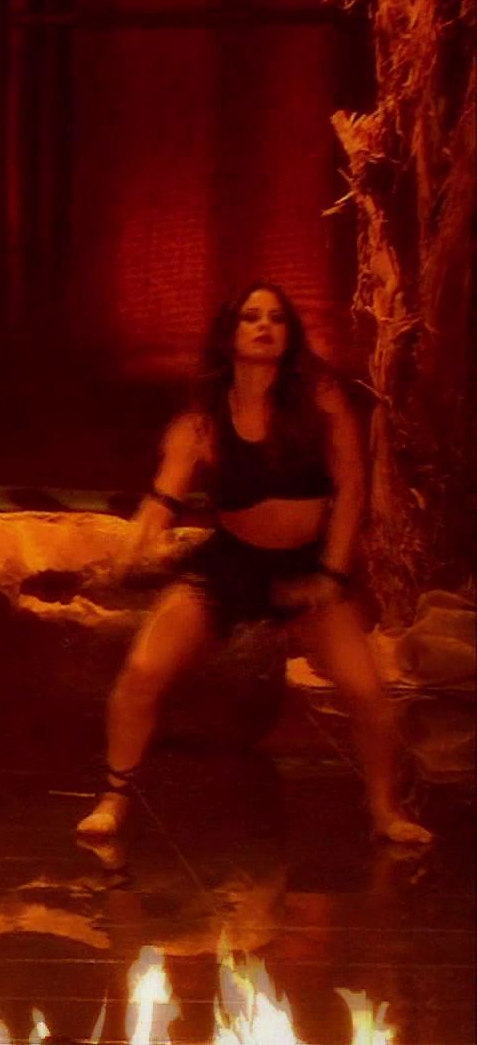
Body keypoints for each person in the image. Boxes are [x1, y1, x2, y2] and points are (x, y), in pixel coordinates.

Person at [77, 282, 432, 844]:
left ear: (289, 334)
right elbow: (164, 496)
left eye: (276, 318)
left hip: (307, 567)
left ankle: (386, 811)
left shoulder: (318, 398)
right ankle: (114, 798)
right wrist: (137, 537)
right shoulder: (204, 421)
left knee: (367, 692)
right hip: (233, 564)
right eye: (251, 317)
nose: (264, 326)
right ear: (231, 332)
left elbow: (352, 489)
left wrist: (332, 575)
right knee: (143, 671)